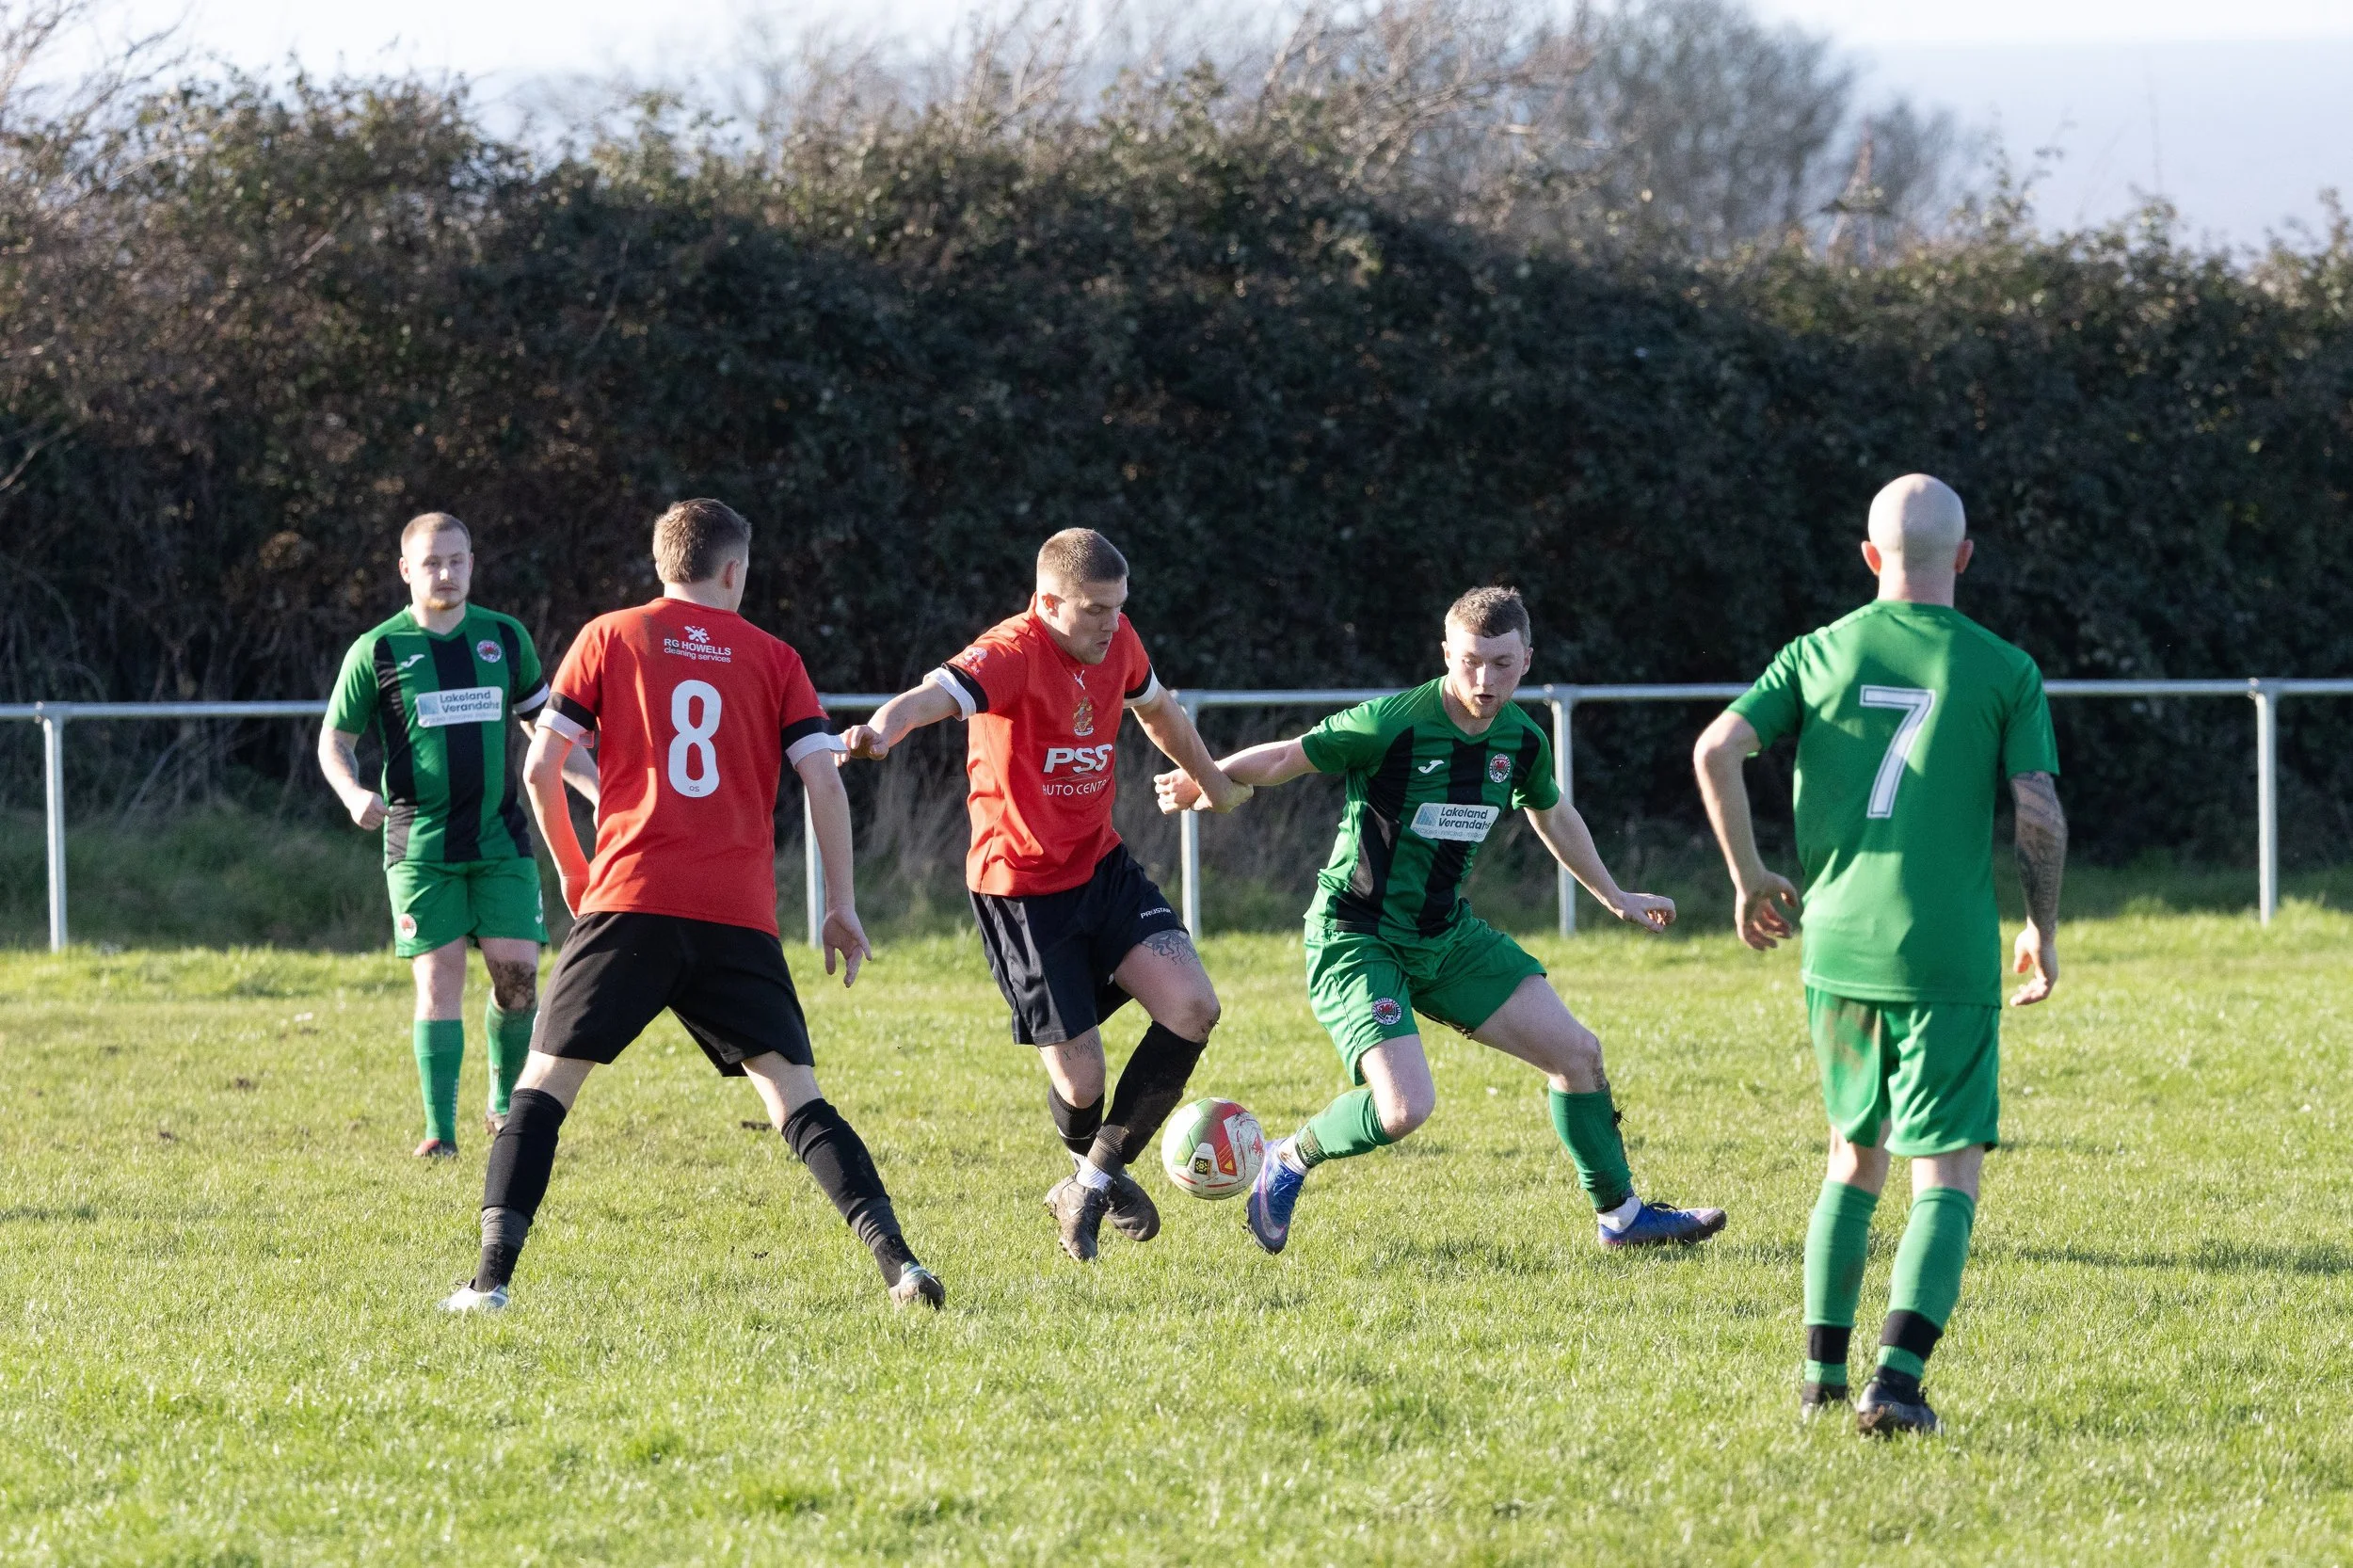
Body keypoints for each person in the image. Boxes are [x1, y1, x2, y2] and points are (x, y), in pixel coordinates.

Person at [439, 499, 943, 1313]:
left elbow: (541, 771)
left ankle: (489, 1284)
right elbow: (823, 779)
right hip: (735, 915)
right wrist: (840, 905)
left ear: (661, 562)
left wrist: (575, 868)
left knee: (541, 1091)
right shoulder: (776, 657)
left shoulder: (611, 634)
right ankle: (901, 1266)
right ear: (735, 570)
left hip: (629, 901)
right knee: (796, 1098)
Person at [1159, 586, 1729, 1255]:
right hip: (1358, 934)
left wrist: (1613, 895)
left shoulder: (1521, 739)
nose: (1484, 681)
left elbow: (1550, 812)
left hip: (1446, 936)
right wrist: (1209, 778)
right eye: (1469, 662)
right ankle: (1287, 1161)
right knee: (1404, 1109)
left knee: (1577, 1055)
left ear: (1527, 658)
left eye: (1502, 664)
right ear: (1445, 655)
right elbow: (1288, 756)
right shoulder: (1394, 722)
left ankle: (1623, 1218)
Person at [1692, 473, 2067, 1437]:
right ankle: (1894, 1383)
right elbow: (2037, 810)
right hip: (1942, 953)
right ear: (1966, 557)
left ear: (1868, 558)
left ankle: (1819, 1378)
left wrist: (1748, 875)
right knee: (1944, 1171)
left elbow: (1714, 749)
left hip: (1836, 947)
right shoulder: (2003, 667)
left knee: (1850, 1159)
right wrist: (2043, 924)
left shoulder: (1817, 652)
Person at [840, 528, 1251, 1263]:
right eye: (1095, 609)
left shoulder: (1117, 643)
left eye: (1120, 608)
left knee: (1194, 1007)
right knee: (1082, 1075)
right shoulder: (1011, 652)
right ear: (1048, 601)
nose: (1112, 624)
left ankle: (1090, 1182)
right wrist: (881, 729)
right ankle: (1091, 1173)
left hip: (1102, 868)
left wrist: (1213, 783)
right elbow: (931, 697)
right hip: (1022, 892)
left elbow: (1156, 711)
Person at [320, 511, 599, 1159]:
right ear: (406, 570)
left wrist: (602, 792)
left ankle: (503, 1107)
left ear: (472, 562)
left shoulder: (505, 637)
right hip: (420, 848)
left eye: (457, 560)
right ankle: (438, 1134)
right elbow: (335, 738)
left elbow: (545, 729)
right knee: (439, 981)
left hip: (500, 842)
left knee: (518, 980)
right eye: (432, 562)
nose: (446, 572)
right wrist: (352, 790)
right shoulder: (377, 649)